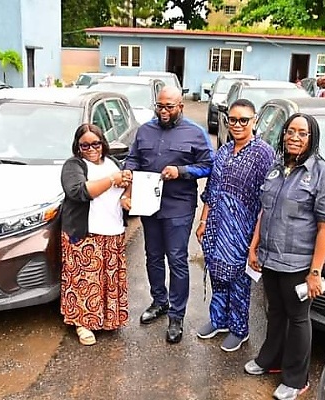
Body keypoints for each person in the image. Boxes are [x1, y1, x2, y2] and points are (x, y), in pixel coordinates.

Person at [244, 113, 325, 400]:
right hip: (270, 258)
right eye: (290, 132)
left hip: (298, 264)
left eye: (302, 133)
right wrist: (255, 246)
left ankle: (297, 380)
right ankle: (270, 360)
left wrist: (315, 272)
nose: (294, 138)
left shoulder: (322, 174)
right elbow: (265, 210)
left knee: (299, 319)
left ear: (312, 138)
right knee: (275, 311)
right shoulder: (277, 168)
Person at [122, 86, 214, 344]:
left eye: (169, 107)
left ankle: (176, 314)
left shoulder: (195, 133)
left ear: (180, 106)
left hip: (179, 207)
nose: (163, 111)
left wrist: (182, 171)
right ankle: (159, 301)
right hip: (148, 204)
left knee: (176, 259)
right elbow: (133, 159)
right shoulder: (145, 130)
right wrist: (129, 175)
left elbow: (209, 165)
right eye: (160, 106)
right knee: (152, 256)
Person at [195, 99, 274, 352]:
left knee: (239, 280)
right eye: (233, 120)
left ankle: (239, 328)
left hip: (244, 230)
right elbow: (211, 190)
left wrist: (256, 242)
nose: (237, 124)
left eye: (244, 120)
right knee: (218, 275)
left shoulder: (263, 154)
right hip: (217, 227)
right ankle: (219, 320)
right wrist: (203, 220)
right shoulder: (224, 151)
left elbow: (267, 201)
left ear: (255, 121)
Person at [59, 123, 131, 346]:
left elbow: (126, 187)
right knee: (85, 281)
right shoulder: (74, 165)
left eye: (95, 143)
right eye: (85, 145)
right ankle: (83, 323)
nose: (91, 148)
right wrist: (112, 180)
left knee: (107, 279)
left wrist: (127, 191)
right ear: (78, 146)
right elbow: (78, 191)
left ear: (103, 143)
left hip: (112, 230)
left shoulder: (113, 163)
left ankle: (106, 319)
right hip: (85, 233)